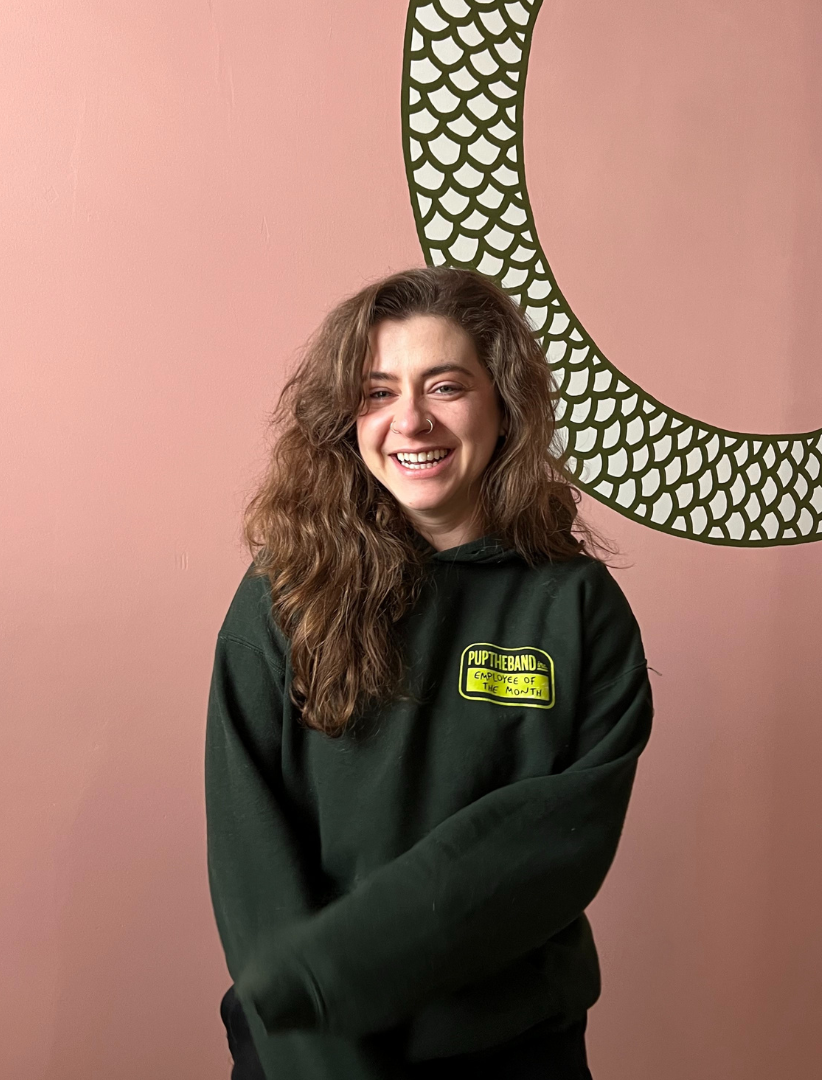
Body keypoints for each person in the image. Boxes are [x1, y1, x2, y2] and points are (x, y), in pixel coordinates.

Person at [205, 267, 653, 1080]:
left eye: (445, 386)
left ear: (502, 404)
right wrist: (316, 1044)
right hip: (307, 1056)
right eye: (377, 393)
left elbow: (551, 846)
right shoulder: (283, 593)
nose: (410, 419)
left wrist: (327, 969)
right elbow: (252, 860)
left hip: (515, 1055)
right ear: (345, 419)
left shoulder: (578, 608)